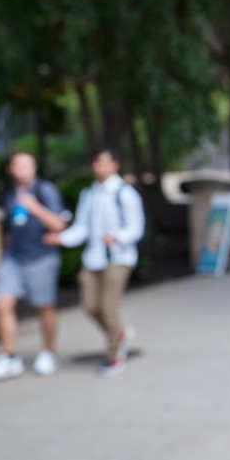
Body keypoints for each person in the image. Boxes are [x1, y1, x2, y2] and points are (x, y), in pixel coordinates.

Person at [46, 148, 144, 377]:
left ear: (115, 165)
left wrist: (118, 237)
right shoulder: (89, 194)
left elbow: (136, 227)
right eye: (97, 163)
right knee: (90, 306)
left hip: (118, 258)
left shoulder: (125, 193)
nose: (100, 167)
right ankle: (119, 333)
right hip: (94, 258)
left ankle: (113, 356)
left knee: (109, 307)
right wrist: (61, 238)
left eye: (105, 163)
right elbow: (82, 227)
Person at [0, 152, 67, 382]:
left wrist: (34, 207)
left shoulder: (45, 190)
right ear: (11, 169)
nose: (24, 170)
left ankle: (48, 352)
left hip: (41, 257)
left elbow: (59, 224)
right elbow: (10, 228)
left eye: (28, 165)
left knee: (45, 307)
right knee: (3, 304)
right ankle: (9, 356)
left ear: (35, 167)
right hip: (14, 257)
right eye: (19, 166)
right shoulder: (9, 194)